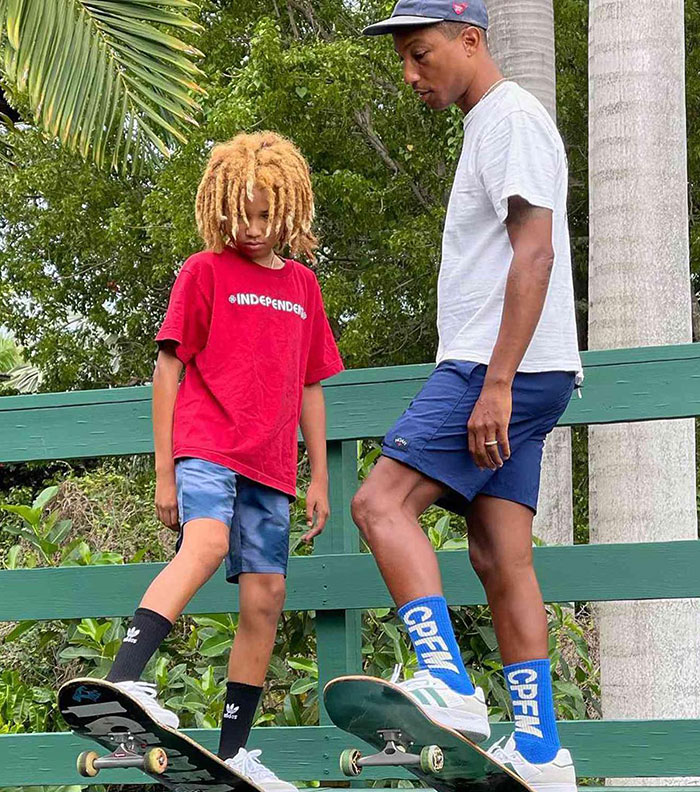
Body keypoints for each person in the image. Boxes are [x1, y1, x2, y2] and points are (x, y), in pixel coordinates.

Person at [355, 2, 582, 791]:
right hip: (532, 370)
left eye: (421, 55)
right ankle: (541, 751)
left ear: (471, 40)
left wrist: (497, 382)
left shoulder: (511, 118)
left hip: (498, 366)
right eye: (404, 61)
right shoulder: (489, 123)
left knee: (380, 503)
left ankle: (447, 683)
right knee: (498, 556)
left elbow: (535, 254)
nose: (411, 75)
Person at [104, 131, 344, 791]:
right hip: (207, 444)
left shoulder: (303, 286)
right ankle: (124, 681)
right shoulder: (204, 271)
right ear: (220, 208)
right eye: (242, 214)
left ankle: (233, 751)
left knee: (267, 596)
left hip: (272, 464)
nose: (253, 228)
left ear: (288, 209)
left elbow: (311, 384)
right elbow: (168, 369)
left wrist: (320, 475)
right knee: (205, 545)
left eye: (265, 215)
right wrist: (164, 471)